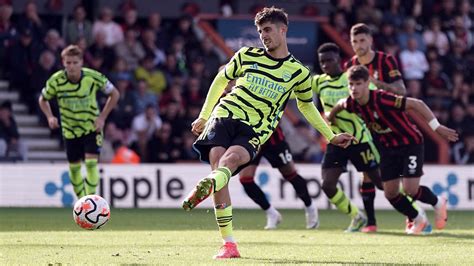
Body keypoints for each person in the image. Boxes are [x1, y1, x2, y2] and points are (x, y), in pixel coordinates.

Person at [182, 7, 354, 259]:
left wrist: (330, 136)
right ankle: (229, 244)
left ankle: (207, 186)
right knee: (220, 166)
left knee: (227, 165)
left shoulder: (298, 72)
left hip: (255, 128)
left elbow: (306, 106)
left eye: (268, 30)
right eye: (260, 31)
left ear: (283, 30)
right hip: (225, 115)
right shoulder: (246, 55)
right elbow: (221, 80)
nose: (263, 35)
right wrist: (204, 115)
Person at [328, 65, 458, 235]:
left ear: (367, 83)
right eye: (351, 84)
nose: (354, 88)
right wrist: (330, 117)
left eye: (358, 84)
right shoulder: (351, 103)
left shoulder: (382, 99)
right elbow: (339, 105)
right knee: (390, 193)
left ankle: (438, 202)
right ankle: (418, 219)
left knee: (411, 190)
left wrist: (437, 126)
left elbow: (416, 104)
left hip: (410, 143)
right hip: (388, 148)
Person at [313, 43, 383, 233]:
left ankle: (414, 212)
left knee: (381, 182)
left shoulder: (350, 79)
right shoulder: (318, 81)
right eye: (322, 62)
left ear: (338, 60)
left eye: (330, 60)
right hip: (336, 140)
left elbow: (373, 95)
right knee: (327, 185)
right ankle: (357, 216)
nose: (326, 65)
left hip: (359, 139)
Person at [38, 45, 120, 198]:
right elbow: (43, 99)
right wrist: (49, 116)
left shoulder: (93, 77)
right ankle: (81, 200)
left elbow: (115, 94)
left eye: (75, 62)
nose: (72, 66)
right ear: (63, 62)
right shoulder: (56, 81)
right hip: (70, 130)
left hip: (91, 127)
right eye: (68, 63)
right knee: (74, 168)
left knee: (91, 164)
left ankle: (89, 202)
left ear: (81, 62)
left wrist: (102, 117)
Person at [239, 126, 319, 230]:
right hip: (252, 138)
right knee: (245, 179)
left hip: (272, 138)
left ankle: (310, 207)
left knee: (291, 174)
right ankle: (271, 213)